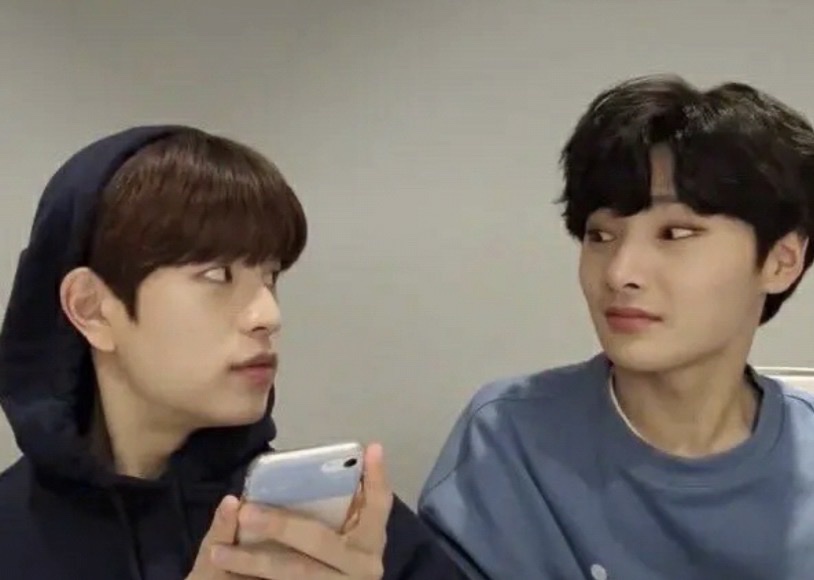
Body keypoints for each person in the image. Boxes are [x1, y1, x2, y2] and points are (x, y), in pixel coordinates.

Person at [0, 126, 464, 579]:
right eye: (217, 275)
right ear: (92, 309)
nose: (269, 315)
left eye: (270, 276)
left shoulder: (346, 535)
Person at [418, 75, 814, 579]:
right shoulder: (509, 438)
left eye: (675, 233)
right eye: (600, 236)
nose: (620, 272)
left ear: (781, 260)